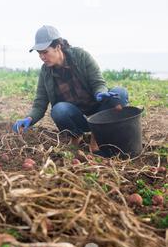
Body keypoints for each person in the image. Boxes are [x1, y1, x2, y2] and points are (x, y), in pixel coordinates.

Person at [12, 26, 128, 154]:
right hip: (77, 116)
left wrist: (100, 92)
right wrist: (29, 118)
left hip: (99, 111)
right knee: (59, 110)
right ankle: (76, 136)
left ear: (58, 47)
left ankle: (96, 138)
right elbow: (40, 103)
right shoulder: (45, 72)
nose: (42, 57)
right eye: (39, 53)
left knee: (120, 93)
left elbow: (98, 82)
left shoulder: (81, 56)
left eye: (45, 52)